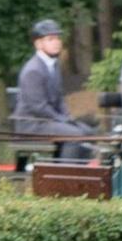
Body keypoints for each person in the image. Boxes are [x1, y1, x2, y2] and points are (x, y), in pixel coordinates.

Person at [13, 19, 96, 161]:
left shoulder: (54, 65)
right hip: (32, 124)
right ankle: (64, 177)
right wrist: (63, 120)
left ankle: (82, 175)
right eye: (50, 39)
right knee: (75, 135)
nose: (57, 42)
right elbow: (38, 107)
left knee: (89, 132)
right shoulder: (33, 70)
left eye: (58, 38)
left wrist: (67, 117)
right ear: (38, 44)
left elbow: (59, 98)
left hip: (49, 121)